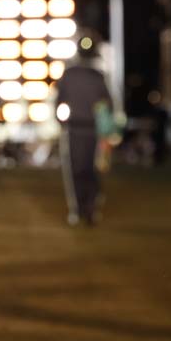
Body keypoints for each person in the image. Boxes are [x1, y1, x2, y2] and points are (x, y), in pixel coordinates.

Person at [55, 36, 113, 226]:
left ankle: (81, 209)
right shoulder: (97, 76)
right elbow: (108, 104)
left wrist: (61, 120)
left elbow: (59, 101)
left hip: (76, 128)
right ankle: (88, 208)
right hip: (89, 128)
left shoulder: (70, 74)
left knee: (77, 169)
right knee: (89, 169)